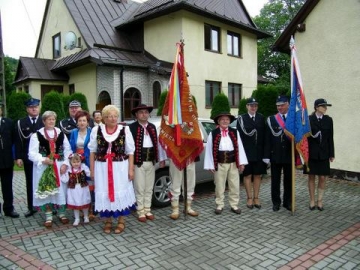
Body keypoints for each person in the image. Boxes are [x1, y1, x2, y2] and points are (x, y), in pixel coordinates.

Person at [88, 105, 136, 234]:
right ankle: (108, 220)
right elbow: (92, 151)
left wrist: (131, 170)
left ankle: (121, 220)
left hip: (120, 167)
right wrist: (92, 170)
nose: (113, 118)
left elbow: (130, 151)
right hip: (102, 168)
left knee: (120, 190)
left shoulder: (124, 130)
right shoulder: (96, 130)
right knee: (104, 190)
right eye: (110, 116)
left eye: (115, 116)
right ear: (104, 118)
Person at [28, 111, 72, 228]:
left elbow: (68, 150)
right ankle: (48, 215)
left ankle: (62, 213)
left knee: (61, 189)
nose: (51, 121)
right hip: (44, 167)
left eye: (53, 119)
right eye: (49, 119)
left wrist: (65, 164)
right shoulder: (36, 135)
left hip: (59, 166)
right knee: (46, 190)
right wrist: (43, 159)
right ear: (44, 121)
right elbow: (31, 153)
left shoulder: (61, 133)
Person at [204, 112, 248, 215]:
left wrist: (241, 163)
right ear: (218, 122)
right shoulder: (213, 133)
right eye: (222, 119)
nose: (225, 121)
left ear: (229, 121)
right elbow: (209, 149)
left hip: (233, 163)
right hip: (220, 164)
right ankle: (219, 205)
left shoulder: (235, 132)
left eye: (227, 119)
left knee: (234, 185)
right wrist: (211, 165)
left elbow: (240, 147)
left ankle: (234, 205)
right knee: (219, 185)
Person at [129, 104, 165, 222]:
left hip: (151, 161)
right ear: (136, 115)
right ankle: (140, 211)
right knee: (139, 187)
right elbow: (129, 147)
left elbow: (157, 144)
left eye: (146, 112)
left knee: (149, 187)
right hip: (138, 162)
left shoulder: (152, 127)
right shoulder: (131, 128)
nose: (144, 114)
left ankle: (148, 209)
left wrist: (160, 159)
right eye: (141, 112)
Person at [15, 97, 44, 217]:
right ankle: (31, 207)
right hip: (28, 158)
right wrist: (18, 157)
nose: (34, 109)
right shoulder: (21, 122)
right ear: (27, 109)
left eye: (36, 107)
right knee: (30, 182)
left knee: (45, 180)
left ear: (39, 108)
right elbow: (18, 141)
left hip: (42, 158)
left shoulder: (44, 120)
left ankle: (47, 205)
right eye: (31, 107)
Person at [305, 98, 335, 211]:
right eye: (323, 106)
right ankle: (312, 200)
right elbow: (305, 138)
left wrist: (331, 153)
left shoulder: (328, 120)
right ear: (317, 107)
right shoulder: (309, 119)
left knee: (322, 177)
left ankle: (320, 201)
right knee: (311, 176)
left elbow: (330, 138)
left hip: (324, 153)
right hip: (311, 153)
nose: (325, 108)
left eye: (326, 106)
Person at [237, 98, 266, 209]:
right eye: (251, 105)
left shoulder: (261, 117)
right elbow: (239, 138)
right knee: (247, 175)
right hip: (246, 153)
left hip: (259, 152)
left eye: (255, 106)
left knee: (258, 175)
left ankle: (256, 197)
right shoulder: (241, 119)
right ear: (247, 107)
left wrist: (265, 154)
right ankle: (249, 198)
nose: (253, 107)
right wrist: (240, 155)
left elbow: (264, 136)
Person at [264, 96, 292, 212]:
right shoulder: (271, 119)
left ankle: (288, 202)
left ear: (288, 104)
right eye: (278, 105)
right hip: (275, 154)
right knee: (275, 180)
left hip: (289, 154)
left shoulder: (292, 118)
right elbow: (267, 139)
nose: (279, 107)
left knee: (289, 180)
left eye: (282, 105)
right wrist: (266, 156)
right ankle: (276, 202)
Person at [69, 110, 95, 220]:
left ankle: (90, 209)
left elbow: (95, 147)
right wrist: (74, 159)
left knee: (89, 185)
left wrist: (85, 156)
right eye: (80, 120)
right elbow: (71, 147)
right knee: (79, 185)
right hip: (77, 163)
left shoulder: (92, 131)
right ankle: (79, 208)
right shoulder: (74, 132)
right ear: (77, 122)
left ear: (88, 121)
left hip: (89, 161)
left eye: (84, 120)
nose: (82, 122)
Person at [0, 103, 19, 218]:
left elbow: (14, 141)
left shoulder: (8, 122)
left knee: (7, 186)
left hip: (6, 160)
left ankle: (8, 208)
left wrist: (15, 157)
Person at [61, 153, 91, 226]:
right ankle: (77, 218)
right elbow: (65, 179)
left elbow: (89, 174)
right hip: (73, 190)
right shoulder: (69, 170)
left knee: (84, 203)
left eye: (78, 162)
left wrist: (91, 172)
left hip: (83, 188)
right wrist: (61, 174)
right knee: (75, 203)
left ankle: (86, 216)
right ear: (71, 162)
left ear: (81, 161)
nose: (76, 164)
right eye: (74, 162)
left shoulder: (83, 167)